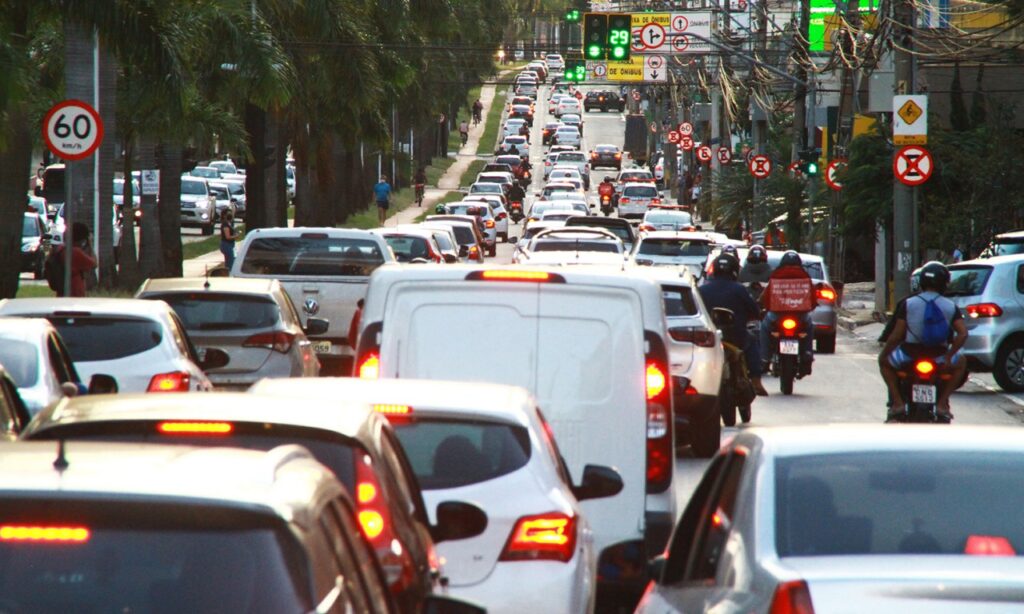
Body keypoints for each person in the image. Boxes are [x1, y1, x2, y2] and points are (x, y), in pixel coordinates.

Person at [879, 261, 968, 421]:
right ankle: (942, 403)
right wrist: (949, 355)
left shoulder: (908, 303)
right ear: (945, 283)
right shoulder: (950, 306)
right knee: (961, 363)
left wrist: (885, 353)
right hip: (939, 356)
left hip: (909, 354)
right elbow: (962, 333)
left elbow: (897, 335)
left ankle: (898, 403)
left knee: (884, 363)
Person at [699, 254, 769, 401]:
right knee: (752, 342)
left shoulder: (702, 290)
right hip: (736, 337)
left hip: (709, 338)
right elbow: (754, 310)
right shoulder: (739, 289)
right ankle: (756, 380)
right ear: (734, 271)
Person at [759, 250, 816, 375]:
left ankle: (764, 358)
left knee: (764, 327)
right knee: (810, 327)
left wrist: (766, 307)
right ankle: (807, 352)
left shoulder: (776, 274)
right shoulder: (804, 275)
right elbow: (812, 298)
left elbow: (767, 296)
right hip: (800, 316)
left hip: (777, 315)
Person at [56, 222, 97, 298]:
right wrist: (90, 244)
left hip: (62, 292)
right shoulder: (75, 253)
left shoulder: (61, 249)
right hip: (75, 293)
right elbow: (94, 264)